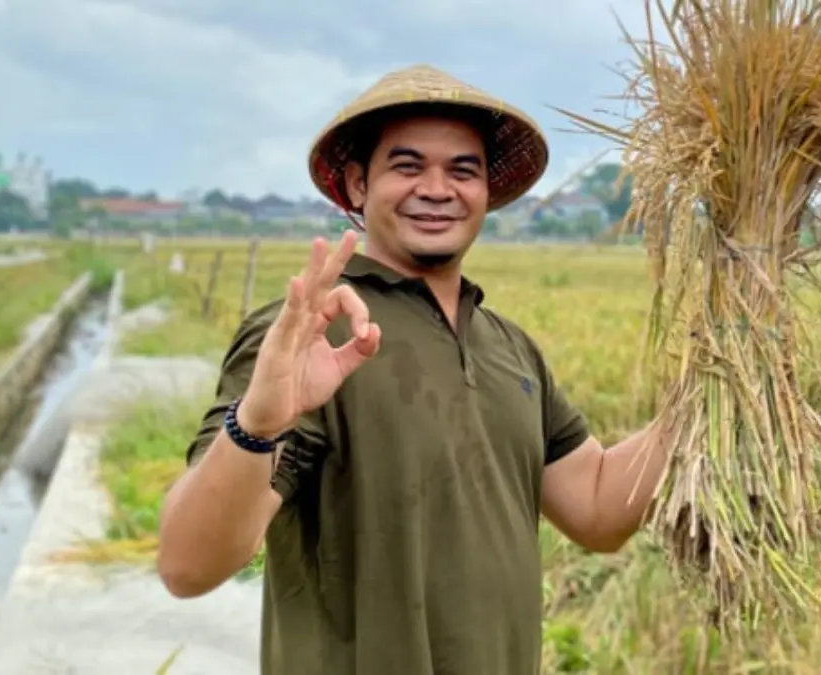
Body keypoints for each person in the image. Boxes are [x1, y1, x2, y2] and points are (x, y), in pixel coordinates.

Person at [156, 64, 671, 675]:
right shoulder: (310, 335)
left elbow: (595, 509)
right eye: (406, 166)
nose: (436, 188)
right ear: (355, 185)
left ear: (486, 192)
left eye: (462, 170)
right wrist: (259, 422)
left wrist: (714, 389)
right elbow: (188, 566)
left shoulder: (509, 347)